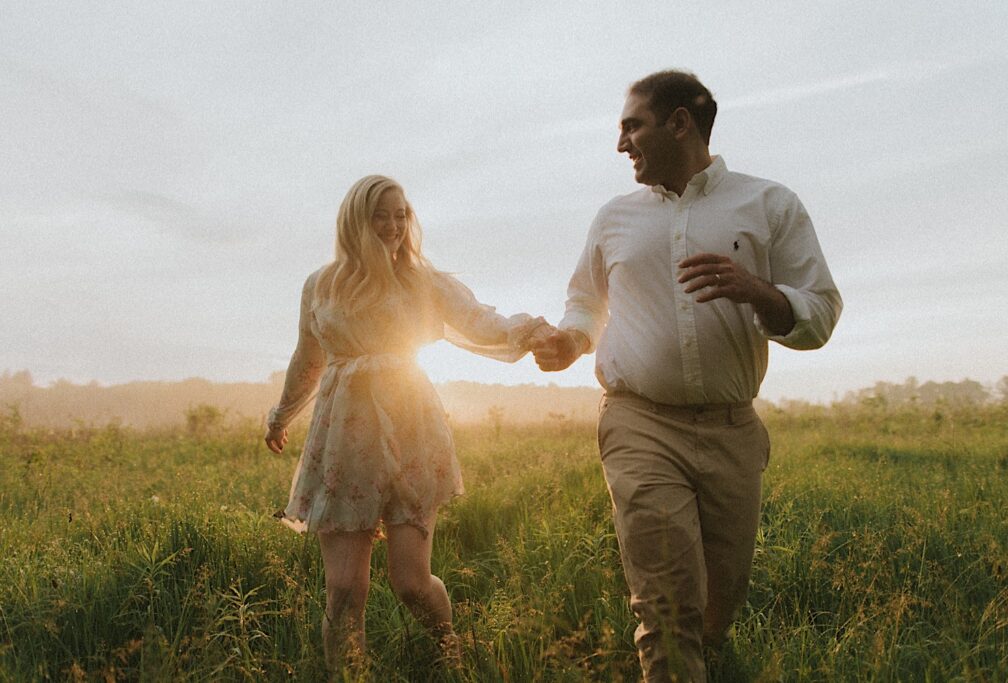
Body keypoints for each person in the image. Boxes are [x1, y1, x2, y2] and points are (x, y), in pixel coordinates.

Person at [532, 70, 842, 682]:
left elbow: (820, 311)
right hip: (639, 421)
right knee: (668, 607)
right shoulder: (615, 217)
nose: (621, 144)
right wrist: (570, 339)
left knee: (714, 611)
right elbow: (587, 303)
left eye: (632, 126)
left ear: (679, 123)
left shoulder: (769, 204)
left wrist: (761, 293)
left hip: (733, 431)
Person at [264, 175, 550, 673]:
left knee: (412, 583)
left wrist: (534, 332)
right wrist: (281, 414)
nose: (393, 226)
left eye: (401, 215)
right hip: (343, 437)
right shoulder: (321, 284)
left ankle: (451, 657)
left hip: (411, 427)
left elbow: (479, 319)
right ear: (355, 219)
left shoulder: (422, 280)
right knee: (345, 589)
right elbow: (307, 358)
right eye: (381, 215)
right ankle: (346, 675)